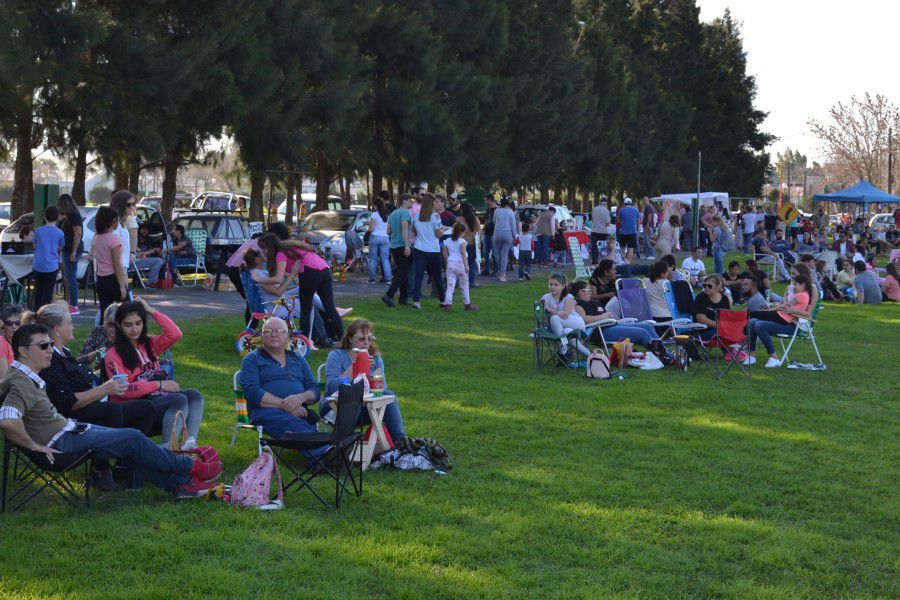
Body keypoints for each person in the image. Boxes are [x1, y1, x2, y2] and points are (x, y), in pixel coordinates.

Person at [0, 324, 221, 498]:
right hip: (62, 441)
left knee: (127, 443)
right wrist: (34, 446)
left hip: (69, 430)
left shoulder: (22, 375)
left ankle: (181, 485)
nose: (50, 350)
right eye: (43, 346)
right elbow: (7, 420)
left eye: (50, 344)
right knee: (132, 437)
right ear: (23, 351)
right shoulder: (20, 382)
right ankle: (191, 468)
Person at [25, 302, 155, 490]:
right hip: (66, 419)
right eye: (69, 323)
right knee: (111, 410)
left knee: (144, 408)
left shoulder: (64, 352)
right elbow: (67, 403)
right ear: (57, 330)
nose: (73, 326)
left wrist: (103, 386)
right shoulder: (50, 359)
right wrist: (104, 390)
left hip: (90, 405)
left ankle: (125, 465)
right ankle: (100, 469)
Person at [104, 298, 205, 450]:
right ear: (119, 325)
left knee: (194, 395)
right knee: (179, 399)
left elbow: (175, 333)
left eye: (138, 323)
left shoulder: (149, 345)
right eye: (128, 325)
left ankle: (189, 444)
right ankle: (167, 450)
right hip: (130, 410)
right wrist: (159, 384)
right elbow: (123, 391)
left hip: (154, 401)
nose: (134, 329)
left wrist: (151, 311)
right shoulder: (113, 354)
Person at [238, 317, 326, 459]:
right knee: (295, 424)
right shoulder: (252, 359)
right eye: (268, 331)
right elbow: (252, 392)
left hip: (299, 411)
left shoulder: (298, 360)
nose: (273, 334)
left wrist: (301, 397)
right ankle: (325, 455)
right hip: (265, 412)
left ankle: (328, 454)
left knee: (301, 424)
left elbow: (314, 390)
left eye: (279, 331)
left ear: (288, 337)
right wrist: (288, 406)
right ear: (262, 336)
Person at [322, 319, 406, 440]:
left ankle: (401, 443)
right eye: (361, 339)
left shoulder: (376, 360)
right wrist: (355, 366)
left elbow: (382, 391)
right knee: (353, 396)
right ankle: (346, 447)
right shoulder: (337, 355)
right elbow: (332, 387)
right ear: (350, 339)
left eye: (370, 339)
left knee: (389, 395)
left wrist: (374, 379)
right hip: (334, 407)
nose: (366, 343)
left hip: (364, 407)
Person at [255, 233, 343, 340]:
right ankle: (341, 338)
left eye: (264, 248)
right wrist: (291, 275)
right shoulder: (287, 249)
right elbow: (286, 272)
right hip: (324, 269)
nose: (263, 251)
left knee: (305, 309)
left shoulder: (280, 254)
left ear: (270, 246)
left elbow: (278, 279)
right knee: (330, 308)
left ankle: (304, 340)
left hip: (310, 271)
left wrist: (259, 279)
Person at [570, 281, 664, 350]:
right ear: (581, 292)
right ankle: (662, 354)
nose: (591, 292)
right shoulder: (578, 305)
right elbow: (584, 320)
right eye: (588, 290)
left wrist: (607, 316)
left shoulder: (593, 302)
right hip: (601, 331)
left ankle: (665, 354)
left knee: (648, 326)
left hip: (613, 325)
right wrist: (603, 317)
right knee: (643, 333)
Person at [744, 274, 813, 367]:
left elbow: (785, 307)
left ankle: (774, 357)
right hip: (783, 317)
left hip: (789, 323)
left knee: (758, 321)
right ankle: (751, 356)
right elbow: (785, 305)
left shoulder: (801, 295)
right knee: (752, 321)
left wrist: (770, 309)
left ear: (803, 285)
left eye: (795, 284)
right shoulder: (802, 295)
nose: (793, 287)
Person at [407, 194, 446, 309]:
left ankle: (416, 302)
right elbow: (438, 234)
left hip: (419, 249)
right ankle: (443, 301)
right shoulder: (436, 217)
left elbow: (414, 231)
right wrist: (443, 229)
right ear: (432, 203)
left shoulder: (416, 216)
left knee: (419, 276)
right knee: (437, 276)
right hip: (433, 250)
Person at [92, 206, 130, 316]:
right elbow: (117, 264)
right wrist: (122, 286)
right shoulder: (114, 239)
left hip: (101, 279)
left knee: (105, 313)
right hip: (113, 278)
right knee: (126, 312)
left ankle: (102, 332)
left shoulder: (97, 238)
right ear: (114, 221)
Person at [542, 273, 586, 359]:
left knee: (554, 318)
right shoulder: (546, 297)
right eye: (550, 284)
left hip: (576, 323)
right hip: (563, 327)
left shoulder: (568, 297)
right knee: (566, 332)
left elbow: (565, 314)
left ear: (563, 286)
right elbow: (544, 306)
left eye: (556, 285)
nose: (552, 287)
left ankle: (563, 349)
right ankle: (587, 354)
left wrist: (554, 313)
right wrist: (557, 312)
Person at [31, 205, 65, 311]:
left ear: (44, 216)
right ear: (58, 217)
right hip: (51, 265)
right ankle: (44, 313)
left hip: (38, 265)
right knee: (48, 292)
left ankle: (36, 312)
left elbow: (34, 246)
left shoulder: (39, 230)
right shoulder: (60, 233)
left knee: (38, 290)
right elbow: (60, 248)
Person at [383, 193, 413, 307]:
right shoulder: (405, 213)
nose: (412, 202)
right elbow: (405, 229)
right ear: (404, 201)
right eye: (411, 200)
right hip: (403, 246)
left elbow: (388, 232)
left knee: (402, 272)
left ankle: (403, 298)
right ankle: (389, 295)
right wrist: (407, 245)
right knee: (402, 273)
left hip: (394, 246)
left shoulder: (393, 213)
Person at [441, 222, 477, 311]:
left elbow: (444, 255)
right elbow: (463, 254)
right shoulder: (462, 242)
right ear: (461, 232)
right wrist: (466, 266)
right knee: (464, 285)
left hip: (450, 264)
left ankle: (447, 304)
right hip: (460, 264)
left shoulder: (447, 241)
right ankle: (467, 304)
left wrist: (447, 263)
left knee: (450, 285)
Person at [57, 194, 83, 315]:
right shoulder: (69, 216)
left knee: (71, 278)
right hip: (67, 249)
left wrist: (73, 251)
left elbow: (77, 234)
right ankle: (71, 303)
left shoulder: (73, 215)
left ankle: (74, 305)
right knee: (68, 277)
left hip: (72, 249)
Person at [77, 302, 119, 373]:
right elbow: (78, 362)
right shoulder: (98, 332)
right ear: (105, 322)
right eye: (111, 324)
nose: (115, 329)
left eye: (118, 325)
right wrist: (94, 354)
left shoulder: (127, 335)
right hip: (99, 375)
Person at [693, 274, 732, 340]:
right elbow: (701, 319)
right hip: (705, 330)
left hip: (720, 330)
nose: (706, 288)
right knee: (724, 334)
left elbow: (726, 316)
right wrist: (719, 326)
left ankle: (734, 348)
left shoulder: (724, 299)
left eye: (710, 286)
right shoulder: (701, 297)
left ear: (717, 287)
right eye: (704, 285)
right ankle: (733, 349)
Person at [491, 197, 518, 282]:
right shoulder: (510, 212)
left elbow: (494, 221)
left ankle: (499, 273)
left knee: (499, 254)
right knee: (504, 255)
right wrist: (515, 236)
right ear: (507, 205)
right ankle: (502, 275)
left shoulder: (496, 211)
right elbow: (513, 225)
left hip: (497, 233)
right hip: (507, 233)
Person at [367, 196, 392, 284]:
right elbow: (389, 230)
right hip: (385, 238)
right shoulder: (387, 215)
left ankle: (372, 279)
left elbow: (371, 229)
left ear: (375, 206)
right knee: (385, 259)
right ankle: (388, 279)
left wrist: (368, 227)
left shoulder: (374, 215)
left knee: (373, 258)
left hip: (374, 237)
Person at [460, 202, 482, 287]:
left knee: (462, 263)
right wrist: (479, 243)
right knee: (471, 263)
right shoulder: (475, 219)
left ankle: (462, 282)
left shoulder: (459, 219)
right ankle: (472, 282)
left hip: (462, 244)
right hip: (473, 244)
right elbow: (479, 231)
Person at [0, 305, 23, 377]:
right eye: (9, 323)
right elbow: (4, 378)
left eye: (17, 323)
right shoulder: (1, 343)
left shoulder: (25, 341)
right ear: (3, 326)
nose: (14, 326)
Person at [590, 198, 611, 265]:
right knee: (603, 247)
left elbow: (592, 220)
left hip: (594, 230)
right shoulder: (606, 211)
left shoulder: (594, 209)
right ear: (606, 204)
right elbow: (608, 223)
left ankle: (595, 261)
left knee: (594, 247)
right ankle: (603, 261)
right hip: (603, 231)